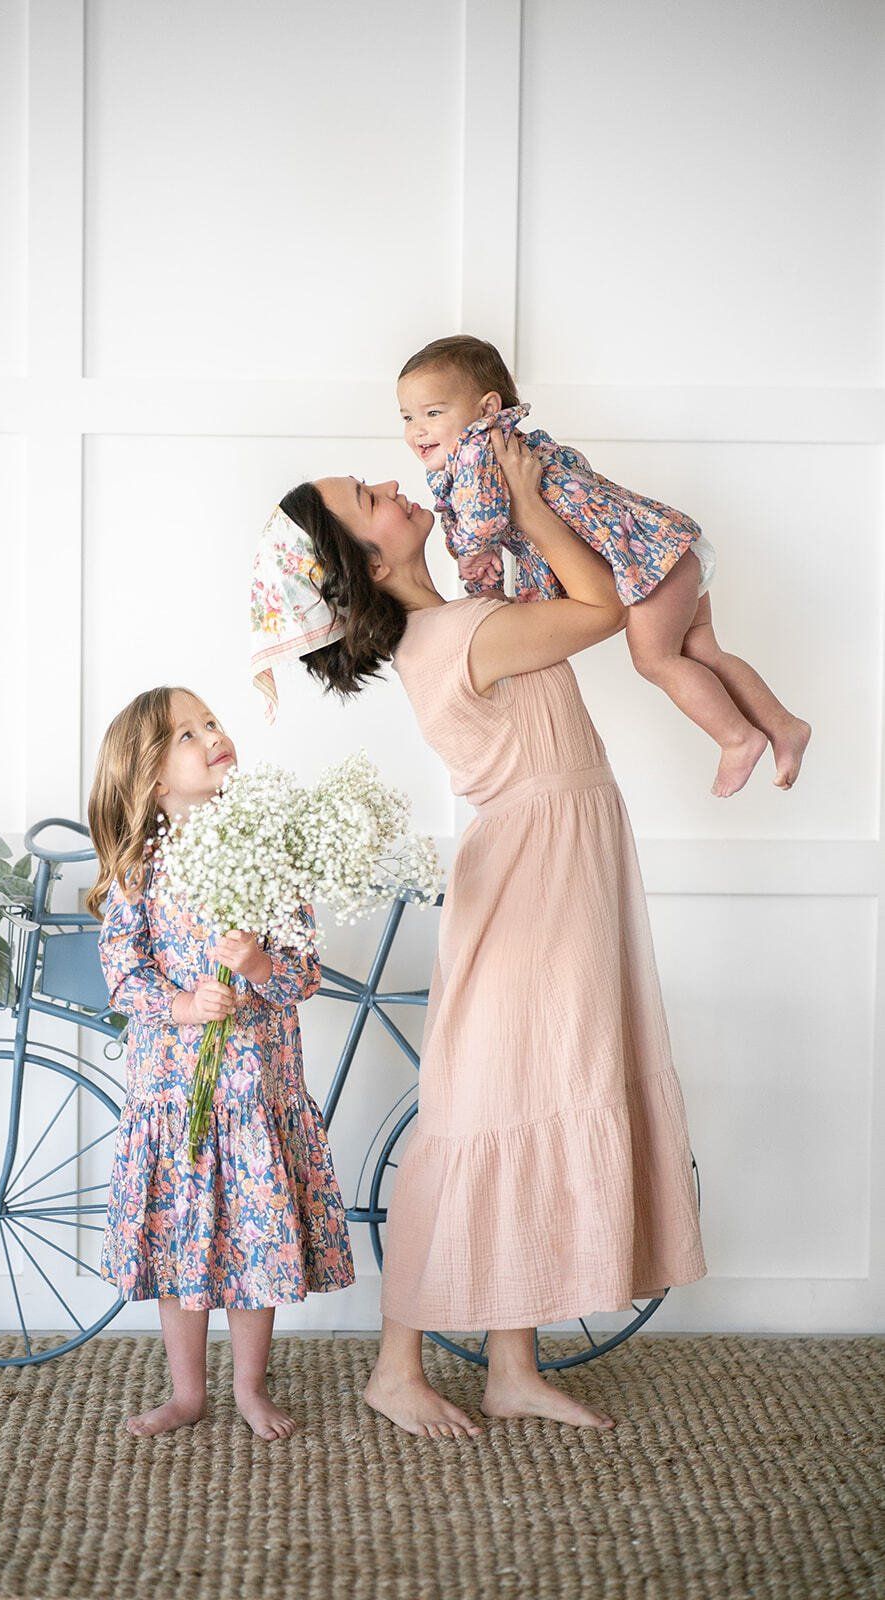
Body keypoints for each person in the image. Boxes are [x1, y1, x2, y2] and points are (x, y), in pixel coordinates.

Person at [253, 432, 706, 1439]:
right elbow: (601, 609)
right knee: (485, 1116)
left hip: (550, 865)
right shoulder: (461, 632)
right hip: (536, 878)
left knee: (527, 1102)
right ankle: (394, 1368)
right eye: (365, 495)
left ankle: (511, 1365)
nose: (388, 481)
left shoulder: (457, 620)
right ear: (368, 561)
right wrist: (533, 504)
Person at [86, 685, 354, 1440]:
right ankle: (186, 1393)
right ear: (152, 779)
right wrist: (182, 1004)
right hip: (178, 1099)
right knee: (182, 1248)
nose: (211, 735)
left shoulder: (267, 854)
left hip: (254, 1100)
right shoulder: (141, 868)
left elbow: (303, 972)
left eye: (211, 722)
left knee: (253, 1246)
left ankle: (248, 1386)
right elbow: (123, 973)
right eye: (187, 734)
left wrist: (260, 965)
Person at [398, 333, 810, 798]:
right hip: (662, 546)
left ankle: (737, 739)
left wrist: (471, 553)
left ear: (487, 408)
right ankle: (784, 726)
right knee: (703, 653)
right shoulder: (513, 445)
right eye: (408, 417)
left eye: (433, 413)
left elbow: (483, 518)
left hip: (644, 564)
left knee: (655, 660)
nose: (418, 430)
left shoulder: (479, 450)